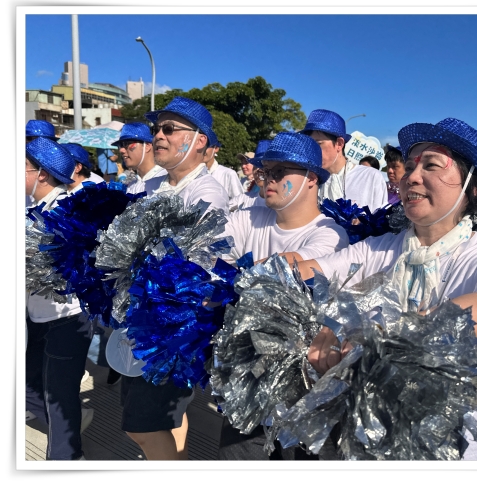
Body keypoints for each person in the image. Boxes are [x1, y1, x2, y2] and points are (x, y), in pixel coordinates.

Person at [299, 118, 477, 460]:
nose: (411, 177)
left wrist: (386, 336)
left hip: (461, 450)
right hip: (375, 439)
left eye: (431, 165)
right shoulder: (377, 249)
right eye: (409, 167)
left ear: (473, 188)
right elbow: (310, 272)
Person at [215, 131, 349, 460]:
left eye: (280, 171)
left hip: (305, 390)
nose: (268, 179)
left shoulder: (330, 234)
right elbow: (204, 255)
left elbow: (285, 270)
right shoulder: (248, 217)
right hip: (247, 378)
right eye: (265, 171)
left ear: (312, 178)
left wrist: (236, 272)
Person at [118, 97, 229, 461]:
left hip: (174, 328)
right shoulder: (150, 186)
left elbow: (192, 265)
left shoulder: (206, 193)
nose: (158, 136)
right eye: (156, 129)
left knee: (142, 426)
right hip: (141, 319)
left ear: (199, 140)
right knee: (165, 419)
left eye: (169, 129)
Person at [25, 138, 95, 460]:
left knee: (59, 397)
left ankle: (67, 461)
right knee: (29, 387)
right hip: (38, 317)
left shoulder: (66, 212)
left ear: (41, 174)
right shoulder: (32, 208)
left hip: (67, 319)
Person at [300, 109, 388, 212]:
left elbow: (382, 218)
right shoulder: (308, 180)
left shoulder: (369, 177)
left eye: (318, 144)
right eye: (309, 145)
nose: (313, 151)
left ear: (339, 144)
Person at [112, 122, 166, 195]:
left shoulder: (165, 179)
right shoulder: (131, 185)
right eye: (120, 145)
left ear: (147, 146)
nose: (121, 150)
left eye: (127, 144)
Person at [228, 140, 270, 212]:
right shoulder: (244, 198)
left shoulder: (281, 203)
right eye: (256, 166)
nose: (258, 170)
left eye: (263, 166)